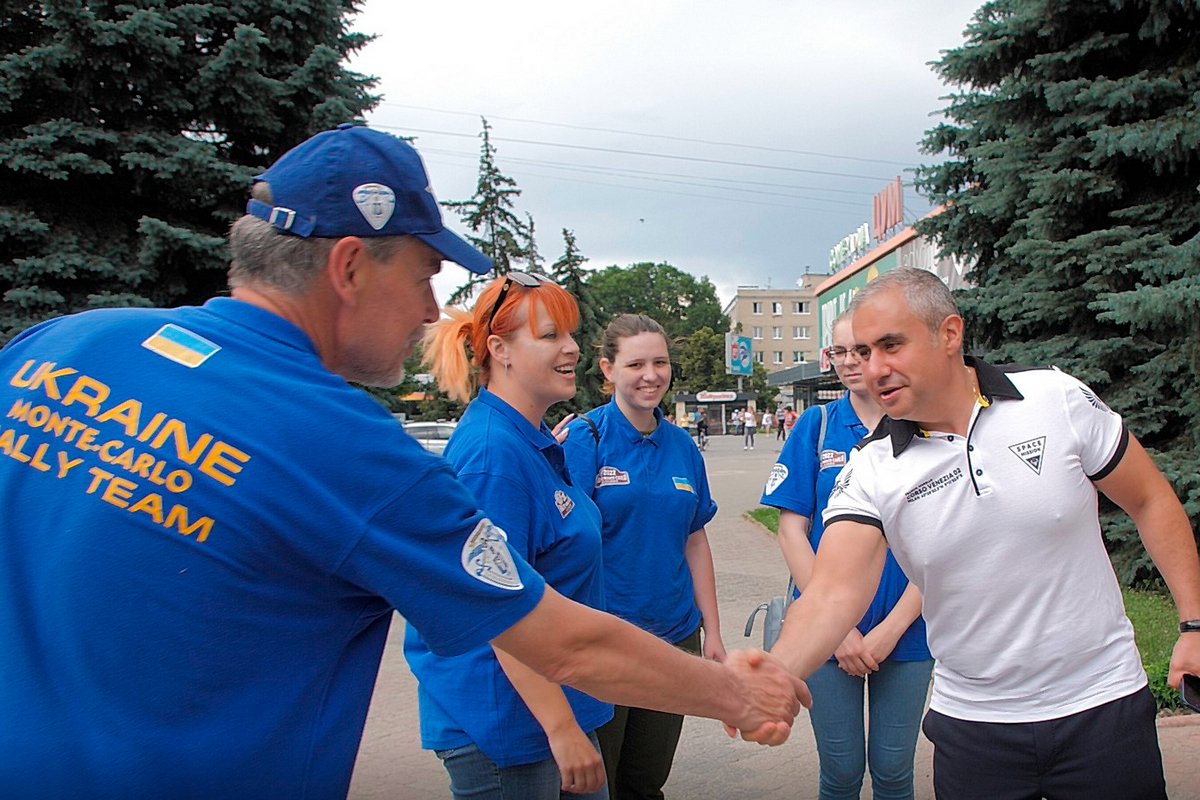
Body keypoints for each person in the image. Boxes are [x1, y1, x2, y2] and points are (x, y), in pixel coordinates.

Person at [0, 125, 807, 799]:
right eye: (423, 277)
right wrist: (736, 693)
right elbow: (562, 644)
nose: (430, 310)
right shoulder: (344, 444)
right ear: (350, 266)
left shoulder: (61, 346)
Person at [772, 268, 1200, 799]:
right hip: (975, 728)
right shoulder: (871, 466)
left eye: (891, 346)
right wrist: (774, 675)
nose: (873, 368)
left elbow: (1150, 499)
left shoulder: (1054, 398)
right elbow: (833, 592)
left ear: (950, 334)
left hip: (1103, 705)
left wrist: (1194, 624)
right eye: (862, 351)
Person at [409, 273, 610, 799]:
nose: (572, 348)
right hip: (512, 726)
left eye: (570, 333)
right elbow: (497, 610)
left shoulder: (529, 437)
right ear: (500, 351)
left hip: (549, 708)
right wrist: (560, 728)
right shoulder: (492, 455)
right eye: (550, 335)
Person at [761, 312, 931, 800]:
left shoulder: (925, 427)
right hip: (825, 632)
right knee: (840, 772)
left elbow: (940, 541)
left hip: (906, 629)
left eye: (863, 349)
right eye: (841, 352)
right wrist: (836, 629)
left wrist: (891, 628)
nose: (852, 361)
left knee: (894, 771)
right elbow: (791, 530)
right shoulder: (816, 426)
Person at [563, 314, 725, 800]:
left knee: (646, 780)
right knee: (599, 784)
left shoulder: (682, 446)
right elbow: (564, 544)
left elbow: (694, 539)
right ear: (608, 369)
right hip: (606, 639)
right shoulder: (585, 439)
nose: (651, 375)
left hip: (674, 638)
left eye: (660, 362)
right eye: (636, 364)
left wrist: (713, 633)